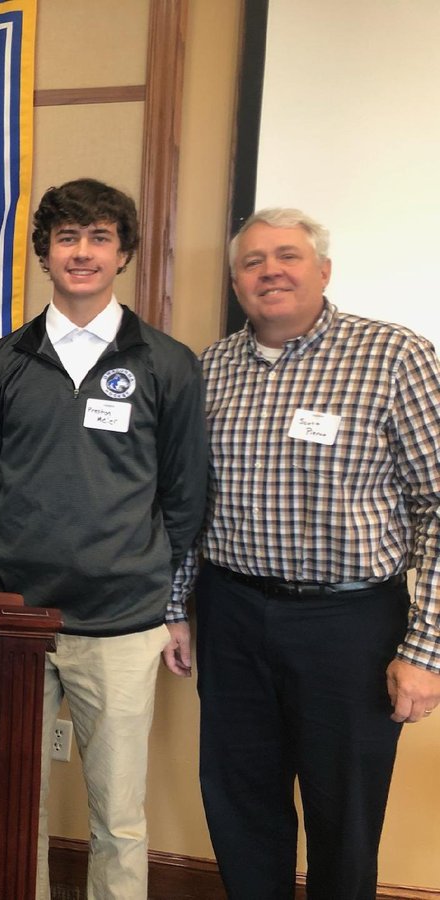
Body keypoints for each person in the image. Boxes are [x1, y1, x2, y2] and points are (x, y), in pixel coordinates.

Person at [172, 208, 440, 899]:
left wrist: (426, 650)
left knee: (342, 811)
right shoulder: (213, 367)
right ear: (236, 282)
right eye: (254, 262)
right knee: (241, 800)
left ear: (324, 270)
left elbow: (438, 505)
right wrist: (178, 607)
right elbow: (188, 502)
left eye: (287, 256)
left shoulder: (395, 356)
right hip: (230, 614)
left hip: (348, 626)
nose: (272, 272)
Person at [0, 178, 208, 900]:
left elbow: (185, 497)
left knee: (119, 818)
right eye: (67, 237)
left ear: (123, 252)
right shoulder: (0, 363)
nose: (83, 252)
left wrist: (145, 578)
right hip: (16, 621)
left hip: (124, 624)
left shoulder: (166, 363)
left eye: (99, 236)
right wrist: (17, 556)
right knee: (13, 808)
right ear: (44, 253)